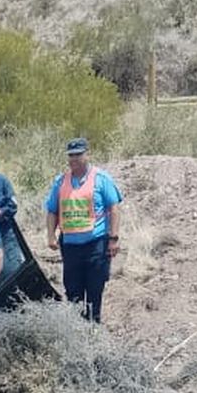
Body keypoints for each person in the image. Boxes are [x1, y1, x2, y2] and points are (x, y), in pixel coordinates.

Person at [43, 137, 123, 324]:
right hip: (70, 247)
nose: (74, 159)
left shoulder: (101, 179)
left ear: (87, 155)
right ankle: (77, 331)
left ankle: (93, 330)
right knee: (73, 294)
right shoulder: (60, 182)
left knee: (94, 291)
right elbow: (52, 210)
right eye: (71, 155)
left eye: (78, 155)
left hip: (96, 245)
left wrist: (113, 239)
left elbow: (114, 208)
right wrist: (51, 236)